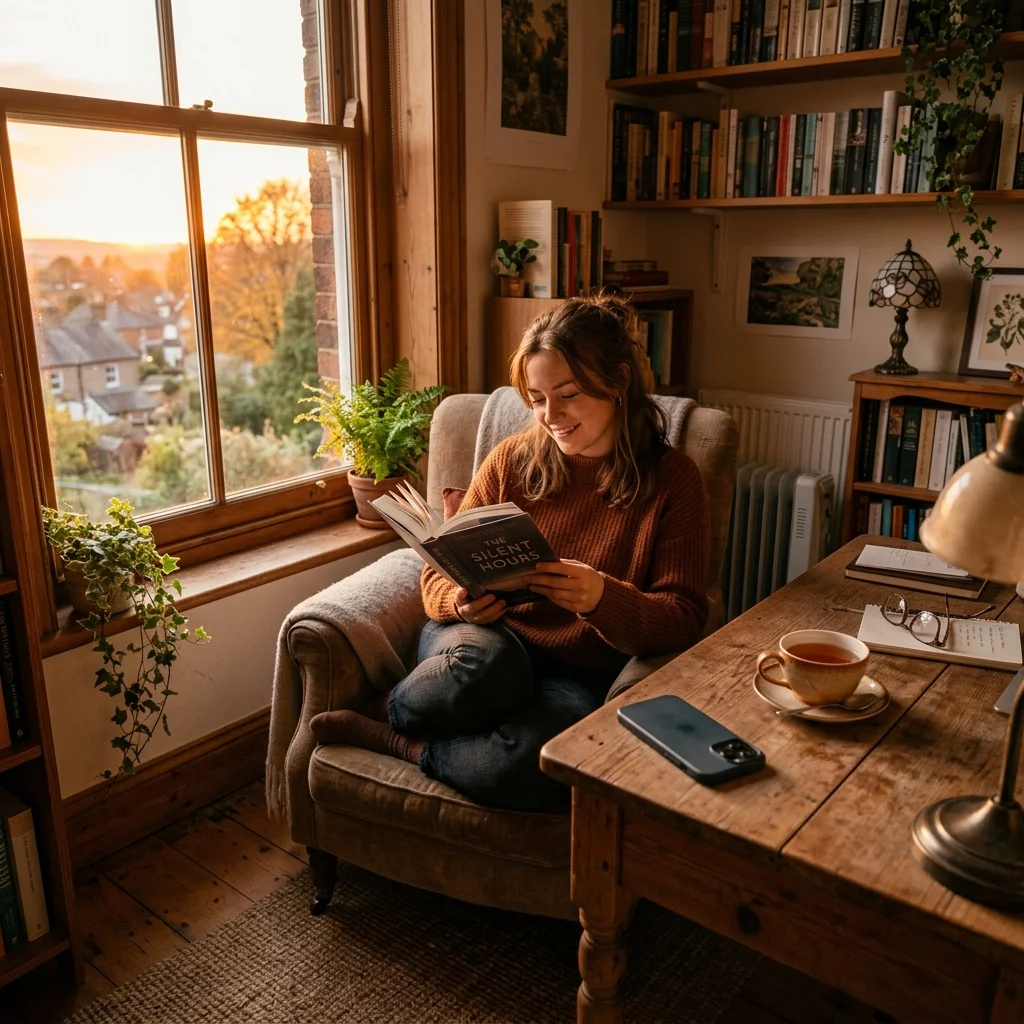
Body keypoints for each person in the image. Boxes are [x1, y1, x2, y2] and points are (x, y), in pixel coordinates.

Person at [311, 294, 711, 812]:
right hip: (480, 642)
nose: (551, 416)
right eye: (538, 398)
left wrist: (601, 598)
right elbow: (433, 574)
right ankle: (398, 708)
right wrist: (458, 601)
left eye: (568, 395)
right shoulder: (511, 461)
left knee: (538, 762)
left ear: (617, 383)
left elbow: (684, 618)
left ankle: (402, 742)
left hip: (572, 675)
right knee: (489, 669)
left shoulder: (673, 481)